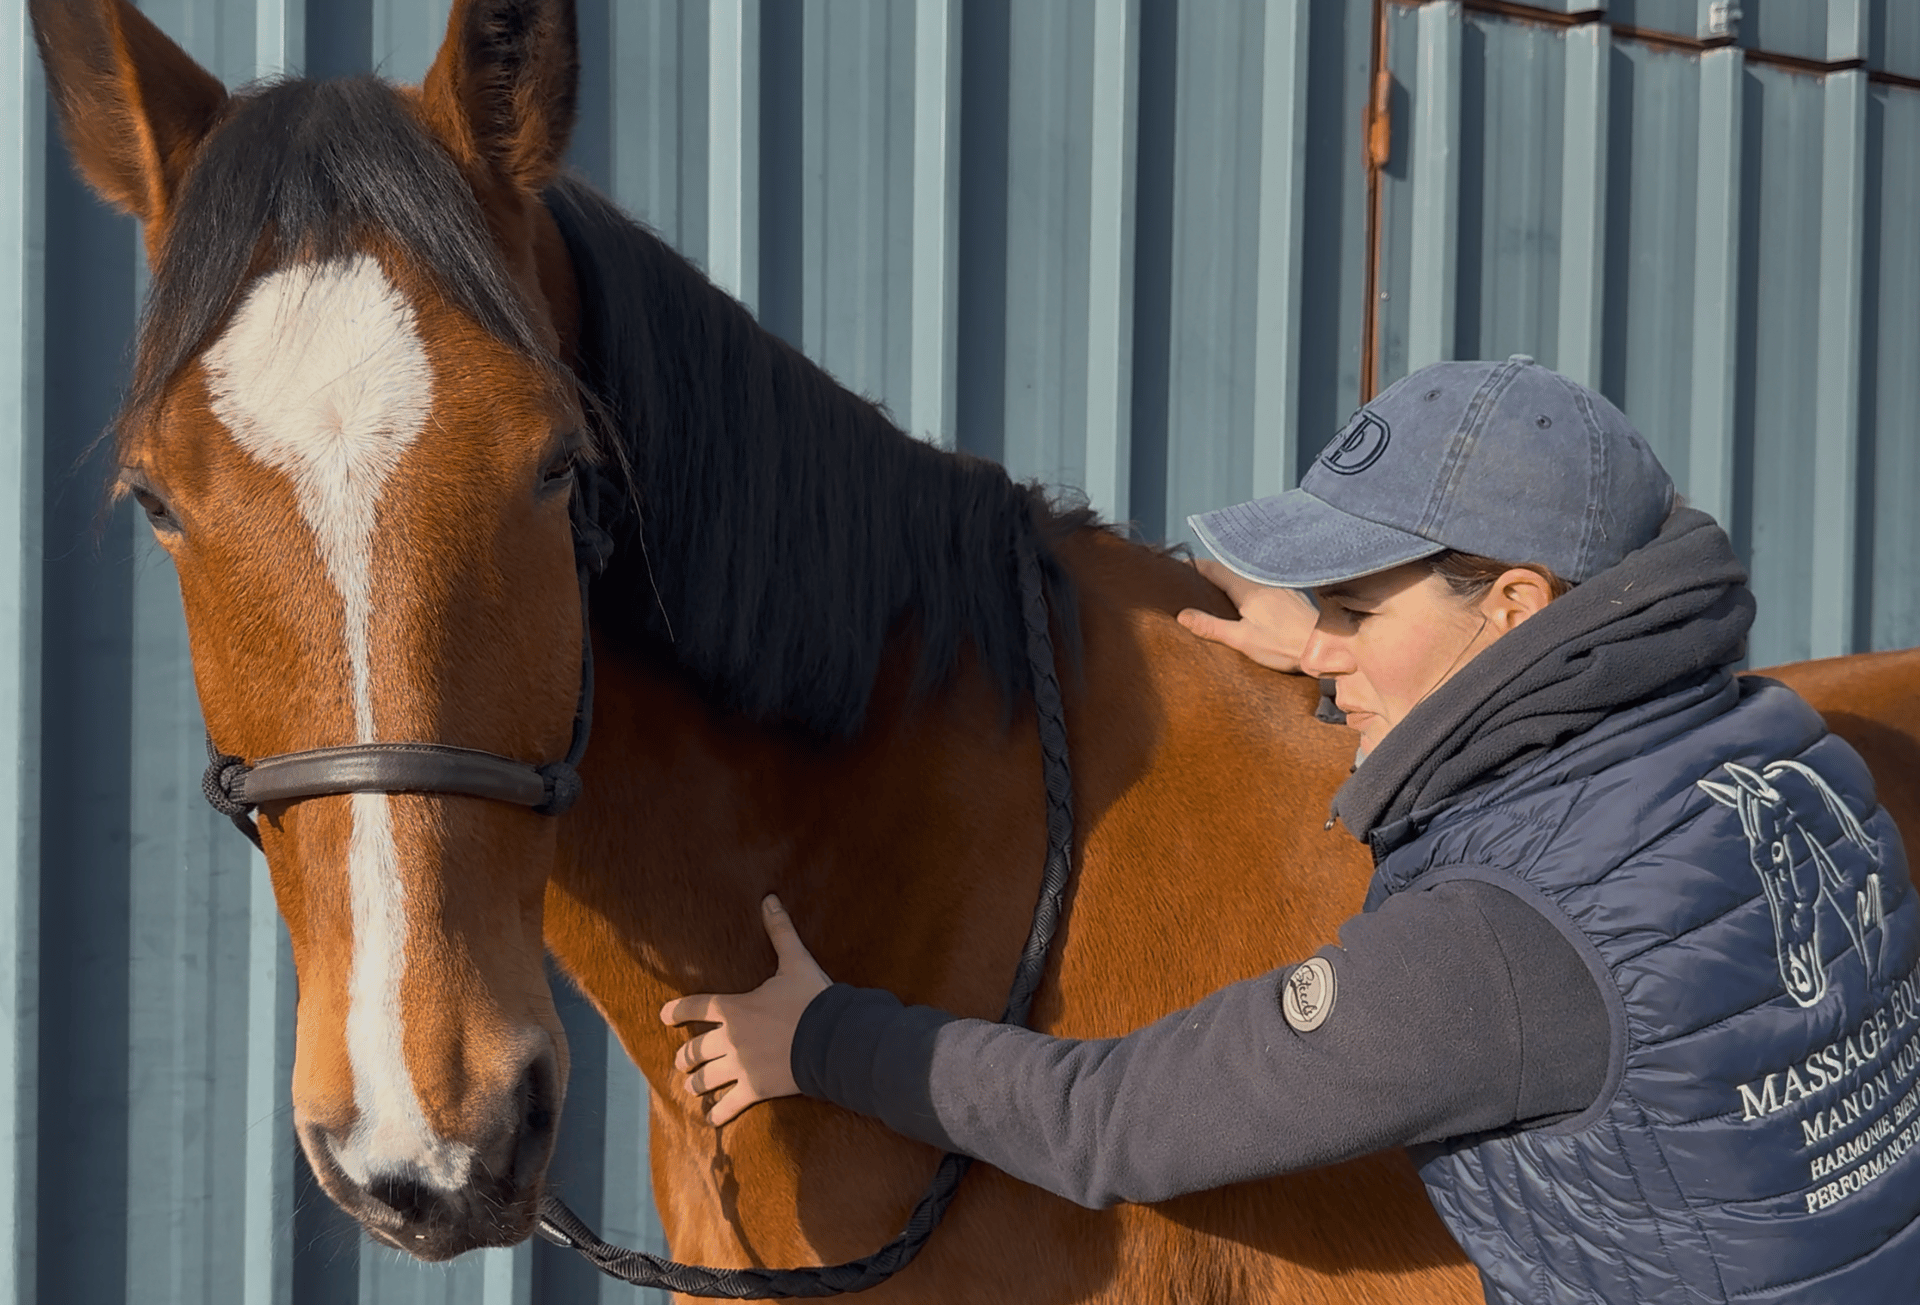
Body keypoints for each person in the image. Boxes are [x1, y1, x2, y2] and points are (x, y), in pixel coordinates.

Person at [661, 356, 1920, 1301]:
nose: (1325, 651)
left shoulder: (1496, 952)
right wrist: (1333, 639)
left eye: (1357, 609)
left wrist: (824, 1037)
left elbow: (1111, 1123)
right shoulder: (1785, 753)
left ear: (1518, 606)